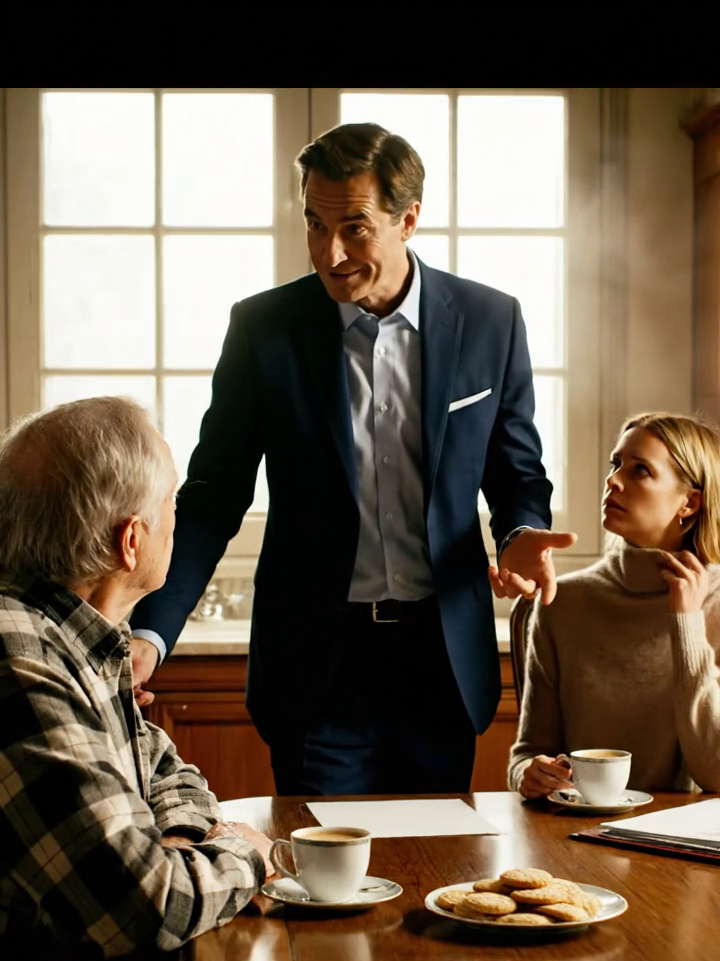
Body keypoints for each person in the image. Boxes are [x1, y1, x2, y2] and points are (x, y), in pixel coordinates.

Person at [131, 121, 575, 797]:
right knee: (322, 887)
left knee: (441, 877)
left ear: (408, 220)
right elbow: (212, 497)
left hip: (441, 663)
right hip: (317, 668)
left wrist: (518, 533)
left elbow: (516, 472)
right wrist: (151, 634)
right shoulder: (264, 330)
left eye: (355, 228)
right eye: (314, 224)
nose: (329, 252)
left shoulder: (492, 321)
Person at [0, 395, 275, 961]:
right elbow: (146, 903)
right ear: (132, 541)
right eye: (171, 505)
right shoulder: (19, 659)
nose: (174, 520)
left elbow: (168, 771)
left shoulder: (76, 635)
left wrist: (185, 839)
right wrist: (242, 855)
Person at [508, 411, 720, 799]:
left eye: (640, 471)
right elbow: (528, 753)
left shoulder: (716, 606)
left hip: (681, 843)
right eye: (615, 464)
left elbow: (716, 775)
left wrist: (686, 622)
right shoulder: (564, 602)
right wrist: (529, 773)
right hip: (572, 836)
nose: (613, 480)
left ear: (689, 502)